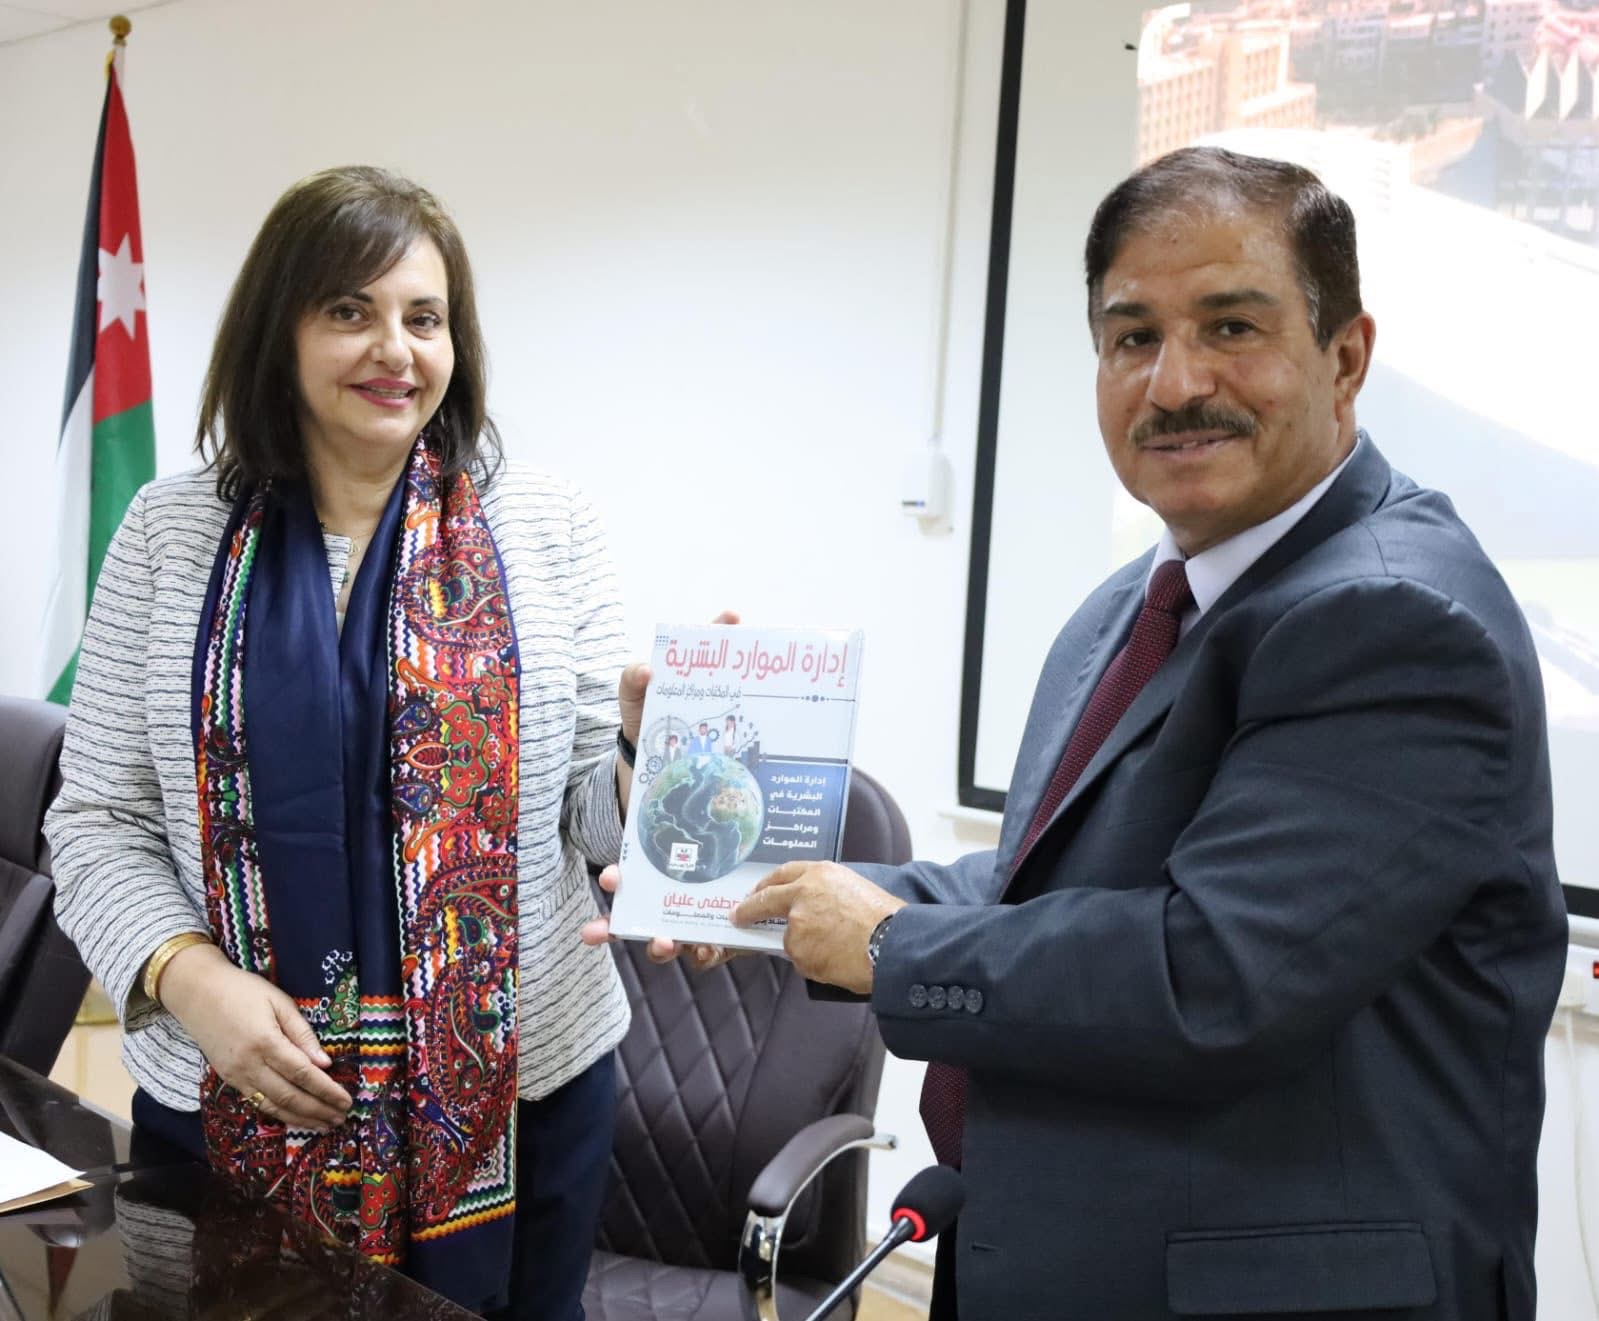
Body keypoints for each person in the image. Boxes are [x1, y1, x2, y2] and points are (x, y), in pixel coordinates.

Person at [593, 148, 1569, 1318]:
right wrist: (761, 894)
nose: (1174, 382)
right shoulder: (1141, 601)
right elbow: (1042, 888)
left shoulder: (1395, 616)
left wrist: (889, 942)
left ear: (1346, 358)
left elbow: (1209, 972)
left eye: (1232, 327)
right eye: (1132, 336)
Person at [45, 165, 642, 1319]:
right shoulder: (170, 532)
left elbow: (590, 814)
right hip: (227, 1089)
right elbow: (97, 820)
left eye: (425, 317)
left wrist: (639, 757)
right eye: (350, 311)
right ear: (280, 329)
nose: (395, 349)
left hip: (522, 1100)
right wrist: (190, 979)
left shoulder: (546, 522)